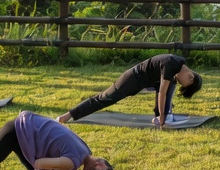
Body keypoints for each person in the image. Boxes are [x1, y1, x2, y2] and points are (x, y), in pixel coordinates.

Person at [59, 55, 202, 128]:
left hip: (148, 81)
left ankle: (160, 116)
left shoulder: (179, 65)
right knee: (105, 98)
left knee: (170, 83)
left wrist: (161, 116)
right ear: (190, 77)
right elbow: (162, 93)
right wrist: (163, 119)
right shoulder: (171, 64)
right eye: (186, 86)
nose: (183, 86)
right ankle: (68, 115)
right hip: (133, 78)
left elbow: (163, 90)